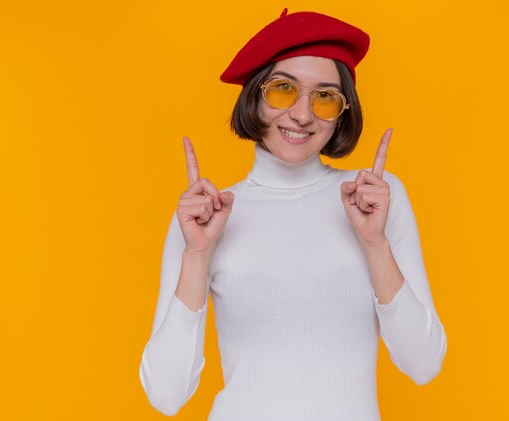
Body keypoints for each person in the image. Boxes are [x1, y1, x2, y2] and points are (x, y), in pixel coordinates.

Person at [139, 8, 447, 420]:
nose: (302, 114)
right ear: (254, 94)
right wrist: (196, 255)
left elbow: (422, 364)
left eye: (324, 96)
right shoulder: (206, 217)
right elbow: (166, 394)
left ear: (343, 111)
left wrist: (374, 244)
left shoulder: (373, 199)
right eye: (284, 89)